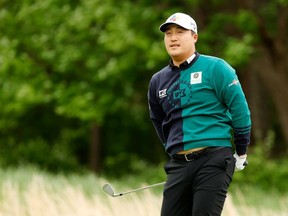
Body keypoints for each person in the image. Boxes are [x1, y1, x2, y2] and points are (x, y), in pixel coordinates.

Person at [147, 12, 251, 216]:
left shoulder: (216, 68)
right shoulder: (157, 81)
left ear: (194, 36)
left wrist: (241, 151)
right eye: (168, 33)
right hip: (178, 164)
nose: (173, 37)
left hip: (213, 158)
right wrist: (173, 148)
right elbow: (158, 121)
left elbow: (240, 110)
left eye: (180, 32)